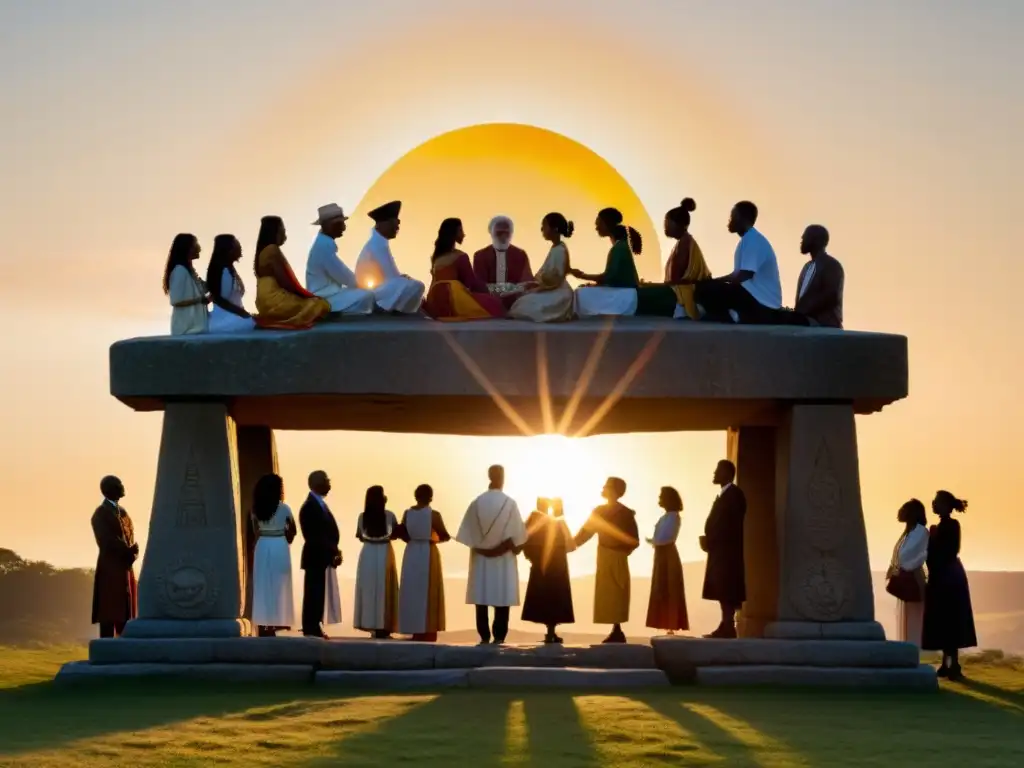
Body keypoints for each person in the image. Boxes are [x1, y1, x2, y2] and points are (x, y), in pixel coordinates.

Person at [455, 465, 529, 644]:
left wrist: (484, 548)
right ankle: (499, 637)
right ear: (502, 478)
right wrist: (502, 548)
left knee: (481, 596)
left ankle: (484, 636)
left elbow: (467, 535)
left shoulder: (476, 502)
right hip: (503, 559)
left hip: (480, 559)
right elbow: (519, 538)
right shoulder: (510, 503)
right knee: (502, 597)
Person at [574, 477, 640, 643]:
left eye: (606, 486)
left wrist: (621, 550)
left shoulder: (625, 513)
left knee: (617, 592)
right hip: (604, 555)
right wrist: (571, 544)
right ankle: (615, 630)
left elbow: (634, 539)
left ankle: (617, 629)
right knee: (608, 593)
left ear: (614, 490)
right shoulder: (600, 511)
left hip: (616, 556)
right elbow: (585, 532)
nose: (603, 488)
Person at [694, 201, 782, 324]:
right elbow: (737, 274)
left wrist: (715, 284)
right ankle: (731, 314)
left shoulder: (753, 240)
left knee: (707, 289)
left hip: (762, 302)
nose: (729, 221)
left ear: (743, 219)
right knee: (708, 286)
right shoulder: (747, 240)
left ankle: (729, 316)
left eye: (733, 217)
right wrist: (715, 281)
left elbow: (745, 276)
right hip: (755, 298)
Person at [922, 491, 977, 680]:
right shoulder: (941, 526)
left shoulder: (951, 525)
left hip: (949, 579)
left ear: (945, 505)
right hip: (944, 577)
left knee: (950, 622)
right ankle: (947, 664)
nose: (933, 504)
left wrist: (932, 539)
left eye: (936, 501)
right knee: (945, 622)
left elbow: (949, 551)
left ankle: (953, 665)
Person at [635, 198, 712, 319]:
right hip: (678, 291)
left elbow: (676, 281)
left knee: (638, 296)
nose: (665, 226)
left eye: (667, 222)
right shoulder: (683, 242)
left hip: (681, 296)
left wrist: (653, 286)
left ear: (678, 224)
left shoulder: (684, 243)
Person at [253, 215, 331, 329]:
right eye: (282, 231)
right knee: (320, 304)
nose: (284, 235)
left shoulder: (264, 251)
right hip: (274, 300)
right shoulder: (272, 250)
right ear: (275, 232)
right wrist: (304, 296)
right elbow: (285, 282)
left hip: (263, 301)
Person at [423, 218, 506, 319]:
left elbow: (433, 281)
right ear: (454, 233)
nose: (464, 234)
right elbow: (471, 283)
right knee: (493, 303)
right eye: (461, 230)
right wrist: (490, 291)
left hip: (435, 299)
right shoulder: (460, 256)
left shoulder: (437, 257)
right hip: (453, 297)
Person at [700, 460, 747, 638]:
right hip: (720, 550)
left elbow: (731, 524)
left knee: (727, 587)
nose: (714, 473)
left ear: (727, 473)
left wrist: (713, 539)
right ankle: (725, 624)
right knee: (722, 587)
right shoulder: (725, 495)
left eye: (718, 470)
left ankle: (728, 625)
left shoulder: (734, 495)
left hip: (727, 552)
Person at [397, 484, 451, 641]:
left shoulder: (407, 513)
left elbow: (404, 534)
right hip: (428, 551)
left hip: (411, 552)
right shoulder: (434, 514)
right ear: (430, 497)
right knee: (429, 590)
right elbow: (444, 535)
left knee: (412, 590)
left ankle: (415, 629)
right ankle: (428, 629)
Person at [354, 200, 426, 314]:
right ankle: (385, 308)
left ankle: (395, 310)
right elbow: (391, 278)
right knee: (417, 285)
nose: (397, 228)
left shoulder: (379, 243)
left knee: (411, 284)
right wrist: (403, 280)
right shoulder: (376, 245)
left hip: (378, 290)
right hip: (373, 293)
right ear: (383, 224)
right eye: (395, 224)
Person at [304, 203, 376, 315]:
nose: (343, 227)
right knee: (367, 296)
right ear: (327, 225)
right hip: (324, 298)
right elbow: (343, 275)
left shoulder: (323, 243)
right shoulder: (324, 246)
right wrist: (362, 284)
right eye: (339, 224)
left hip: (328, 294)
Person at [768, 225, 845, 328]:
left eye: (805, 237)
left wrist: (800, 313)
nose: (802, 239)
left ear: (817, 240)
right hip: (807, 323)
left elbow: (831, 296)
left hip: (824, 325)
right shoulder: (807, 267)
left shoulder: (831, 265)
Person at [521, 497, 576, 643]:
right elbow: (571, 545)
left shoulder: (531, 522)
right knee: (556, 598)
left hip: (539, 566)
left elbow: (524, 541)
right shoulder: (558, 522)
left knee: (543, 598)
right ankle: (551, 631)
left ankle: (549, 631)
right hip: (558, 566)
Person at [571, 208, 643, 318]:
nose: (596, 228)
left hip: (625, 296)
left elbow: (609, 277)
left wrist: (583, 276)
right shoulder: (619, 246)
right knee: (583, 291)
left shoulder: (619, 248)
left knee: (581, 293)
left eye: (598, 224)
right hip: (624, 293)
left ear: (607, 224)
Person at [91, 476, 138, 638]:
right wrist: (127, 551)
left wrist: (133, 553)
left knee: (126, 611)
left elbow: (130, 537)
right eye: (118, 485)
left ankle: (126, 647)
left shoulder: (123, 512)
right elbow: (107, 541)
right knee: (109, 610)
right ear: (109, 489)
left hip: (126, 567)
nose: (122, 487)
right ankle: (107, 648)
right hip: (110, 568)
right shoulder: (101, 514)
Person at [249, 473, 297, 636]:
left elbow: (254, 531)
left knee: (262, 585)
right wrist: (285, 538)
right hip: (279, 545)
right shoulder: (284, 508)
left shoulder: (255, 509)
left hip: (262, 545)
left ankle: (262, 624)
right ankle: (275, 622)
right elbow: (293, 530)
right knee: (278, 585)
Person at [508, 213, 575, 323]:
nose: (542, 229)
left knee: (525, 303)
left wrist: (537, 283)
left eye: (544, 226)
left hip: (558, 291)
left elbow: (555, 277)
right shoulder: (556, 248)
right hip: (551, 288)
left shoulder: (560, 250)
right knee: (522, 301)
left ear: (554, 229)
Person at [353, 485, 401, 639]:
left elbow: (360, 536)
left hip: (368, 552)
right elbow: (395, 534)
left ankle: (371, 623)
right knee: (384, 589)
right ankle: (384, 625)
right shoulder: (389, 515)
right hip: (384, 551)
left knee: (369, 589)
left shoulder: (362, 517)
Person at [298, 470, 341, 638]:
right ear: (317, 483)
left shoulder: (320, 504)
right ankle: (310, 626)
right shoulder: (309, 507)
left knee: (318, 592)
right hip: (315, 555)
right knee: (313, 592)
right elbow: (314, 534)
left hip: (322, 556)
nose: (329, 484)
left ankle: (315, 624)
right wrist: (330, 549)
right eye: (326, 480)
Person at [645, 486, 689, 635]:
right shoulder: (666, 517)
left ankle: (671, 625)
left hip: (667, 556)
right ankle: (666, 624)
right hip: (661, 555)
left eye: (661, 496)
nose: (659, 499)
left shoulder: (673, 516)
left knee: (669, 588)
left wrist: (654, 541)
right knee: (662, 587)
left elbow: (667, 537)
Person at [887, 499, 928, 646]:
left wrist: (898, 566)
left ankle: (915, 647)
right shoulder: (910, 532)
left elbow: (906, 556)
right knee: (907, 616)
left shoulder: (920, 531)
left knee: (914, 617)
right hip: (906, 576)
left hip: (913, 577)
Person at [472, 215, 534, 308]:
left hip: (515, 300)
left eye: (506, 233)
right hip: (489, 299)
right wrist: (502, 290)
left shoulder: (520, 254)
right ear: (491, 233)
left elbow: (526, 281)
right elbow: (479, 284)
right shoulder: (480, 255)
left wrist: (513, 291)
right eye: (499, 233)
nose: (503, 236)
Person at [206, 234, 255, 333]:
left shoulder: (229, 269)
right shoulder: (224, 271)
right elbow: (222, 301)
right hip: (225, 319)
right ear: (228, 250)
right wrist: (243, 314)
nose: (240, 247)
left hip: (233, 315)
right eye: (236, 245)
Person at [164, 233, 210, 335]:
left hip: (195, 328)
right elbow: (176, 300)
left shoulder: (189, 271)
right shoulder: (180, 271)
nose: (199, 248)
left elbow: (201, 289)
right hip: (187, 329)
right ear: (187, 248)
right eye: (195, 245)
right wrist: (201, 300)